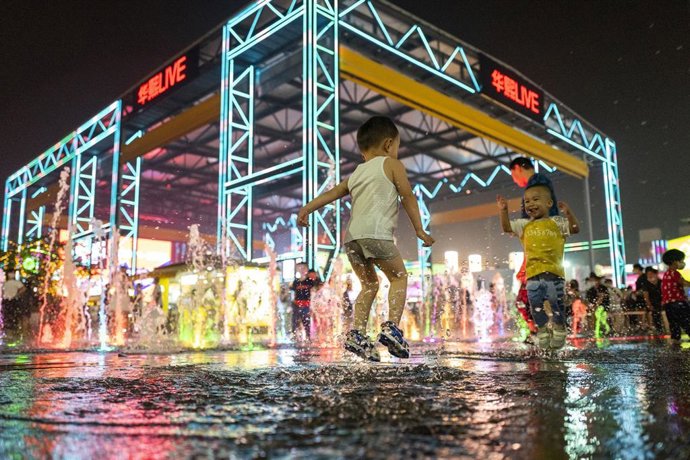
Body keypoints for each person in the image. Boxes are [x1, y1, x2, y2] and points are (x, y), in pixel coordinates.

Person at [297, 116, 434, 361]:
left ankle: (357, 334)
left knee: (369, 285)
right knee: (399, 278)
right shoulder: (392, 165)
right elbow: (408, 197)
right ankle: (392, 328)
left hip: (352, 240)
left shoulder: (358, 172)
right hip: (377, 235)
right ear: (389, 144)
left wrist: (306, 208)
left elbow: (332, 194)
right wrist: (419, 230)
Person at [497, 185, 579, 349]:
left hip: (554, 274)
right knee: (535, 307)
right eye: (526, 201)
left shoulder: (557, 222)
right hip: (532, 276)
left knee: (556, 305)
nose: (530, 204)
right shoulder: (524, 225)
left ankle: (559, 328)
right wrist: (504, 211)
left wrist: (569, 214)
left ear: (549, 203)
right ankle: (542, 330)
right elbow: (506, 227)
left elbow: (575, 229)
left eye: (535, 199)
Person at [509, 157, 560, 338]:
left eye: (513, 175)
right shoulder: (539, 182)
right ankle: (541, 332)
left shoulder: (536, 183)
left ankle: (543, 332)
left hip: (541, 245)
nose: (514, 180)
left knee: (531, 292)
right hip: (542, 243)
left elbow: (538, 217)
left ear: (518, 168)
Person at [661, 249, 690, 341]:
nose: (682, 263)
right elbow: (684, 283)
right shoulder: (674, 273)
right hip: (678, 303)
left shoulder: (666, 273)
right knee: (687, 322)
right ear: (674, 261)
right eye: (681, 261)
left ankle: (675, 344)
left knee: (674, 326)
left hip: (668, 305)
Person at [290, 263, 318, 342]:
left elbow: (315, 291)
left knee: (306, 323)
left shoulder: (310, 281)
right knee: (294, 323)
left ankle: (308, 338)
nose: (301, 270)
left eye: (303, 268)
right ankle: (295, 339)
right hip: (296, 305)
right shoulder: (296, 282)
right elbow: (292, 293)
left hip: (306, 305)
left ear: (306, 270)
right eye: (299, 268)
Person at [586, 273, 611, 338]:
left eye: (594, 280)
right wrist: (591, 306)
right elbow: (589, 300)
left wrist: (595, 305)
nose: (593, 282)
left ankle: (597, 332)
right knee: (601, 319)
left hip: (603, 306)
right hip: (596, 307)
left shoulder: (603, 288)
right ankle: (606, 329)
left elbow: (602, 298)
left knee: (598, 317)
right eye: (591, 281)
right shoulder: (590, 290)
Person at [643, 268, 664, 334]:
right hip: (652, 303)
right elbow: (646, 295)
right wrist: (649, 304)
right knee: (655, 315)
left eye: (651, 274)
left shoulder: (661, 282)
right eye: (648, 274)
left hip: (662, 302)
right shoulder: (646, 284)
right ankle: (658, 329)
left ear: (655, 274)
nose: (650, 275)